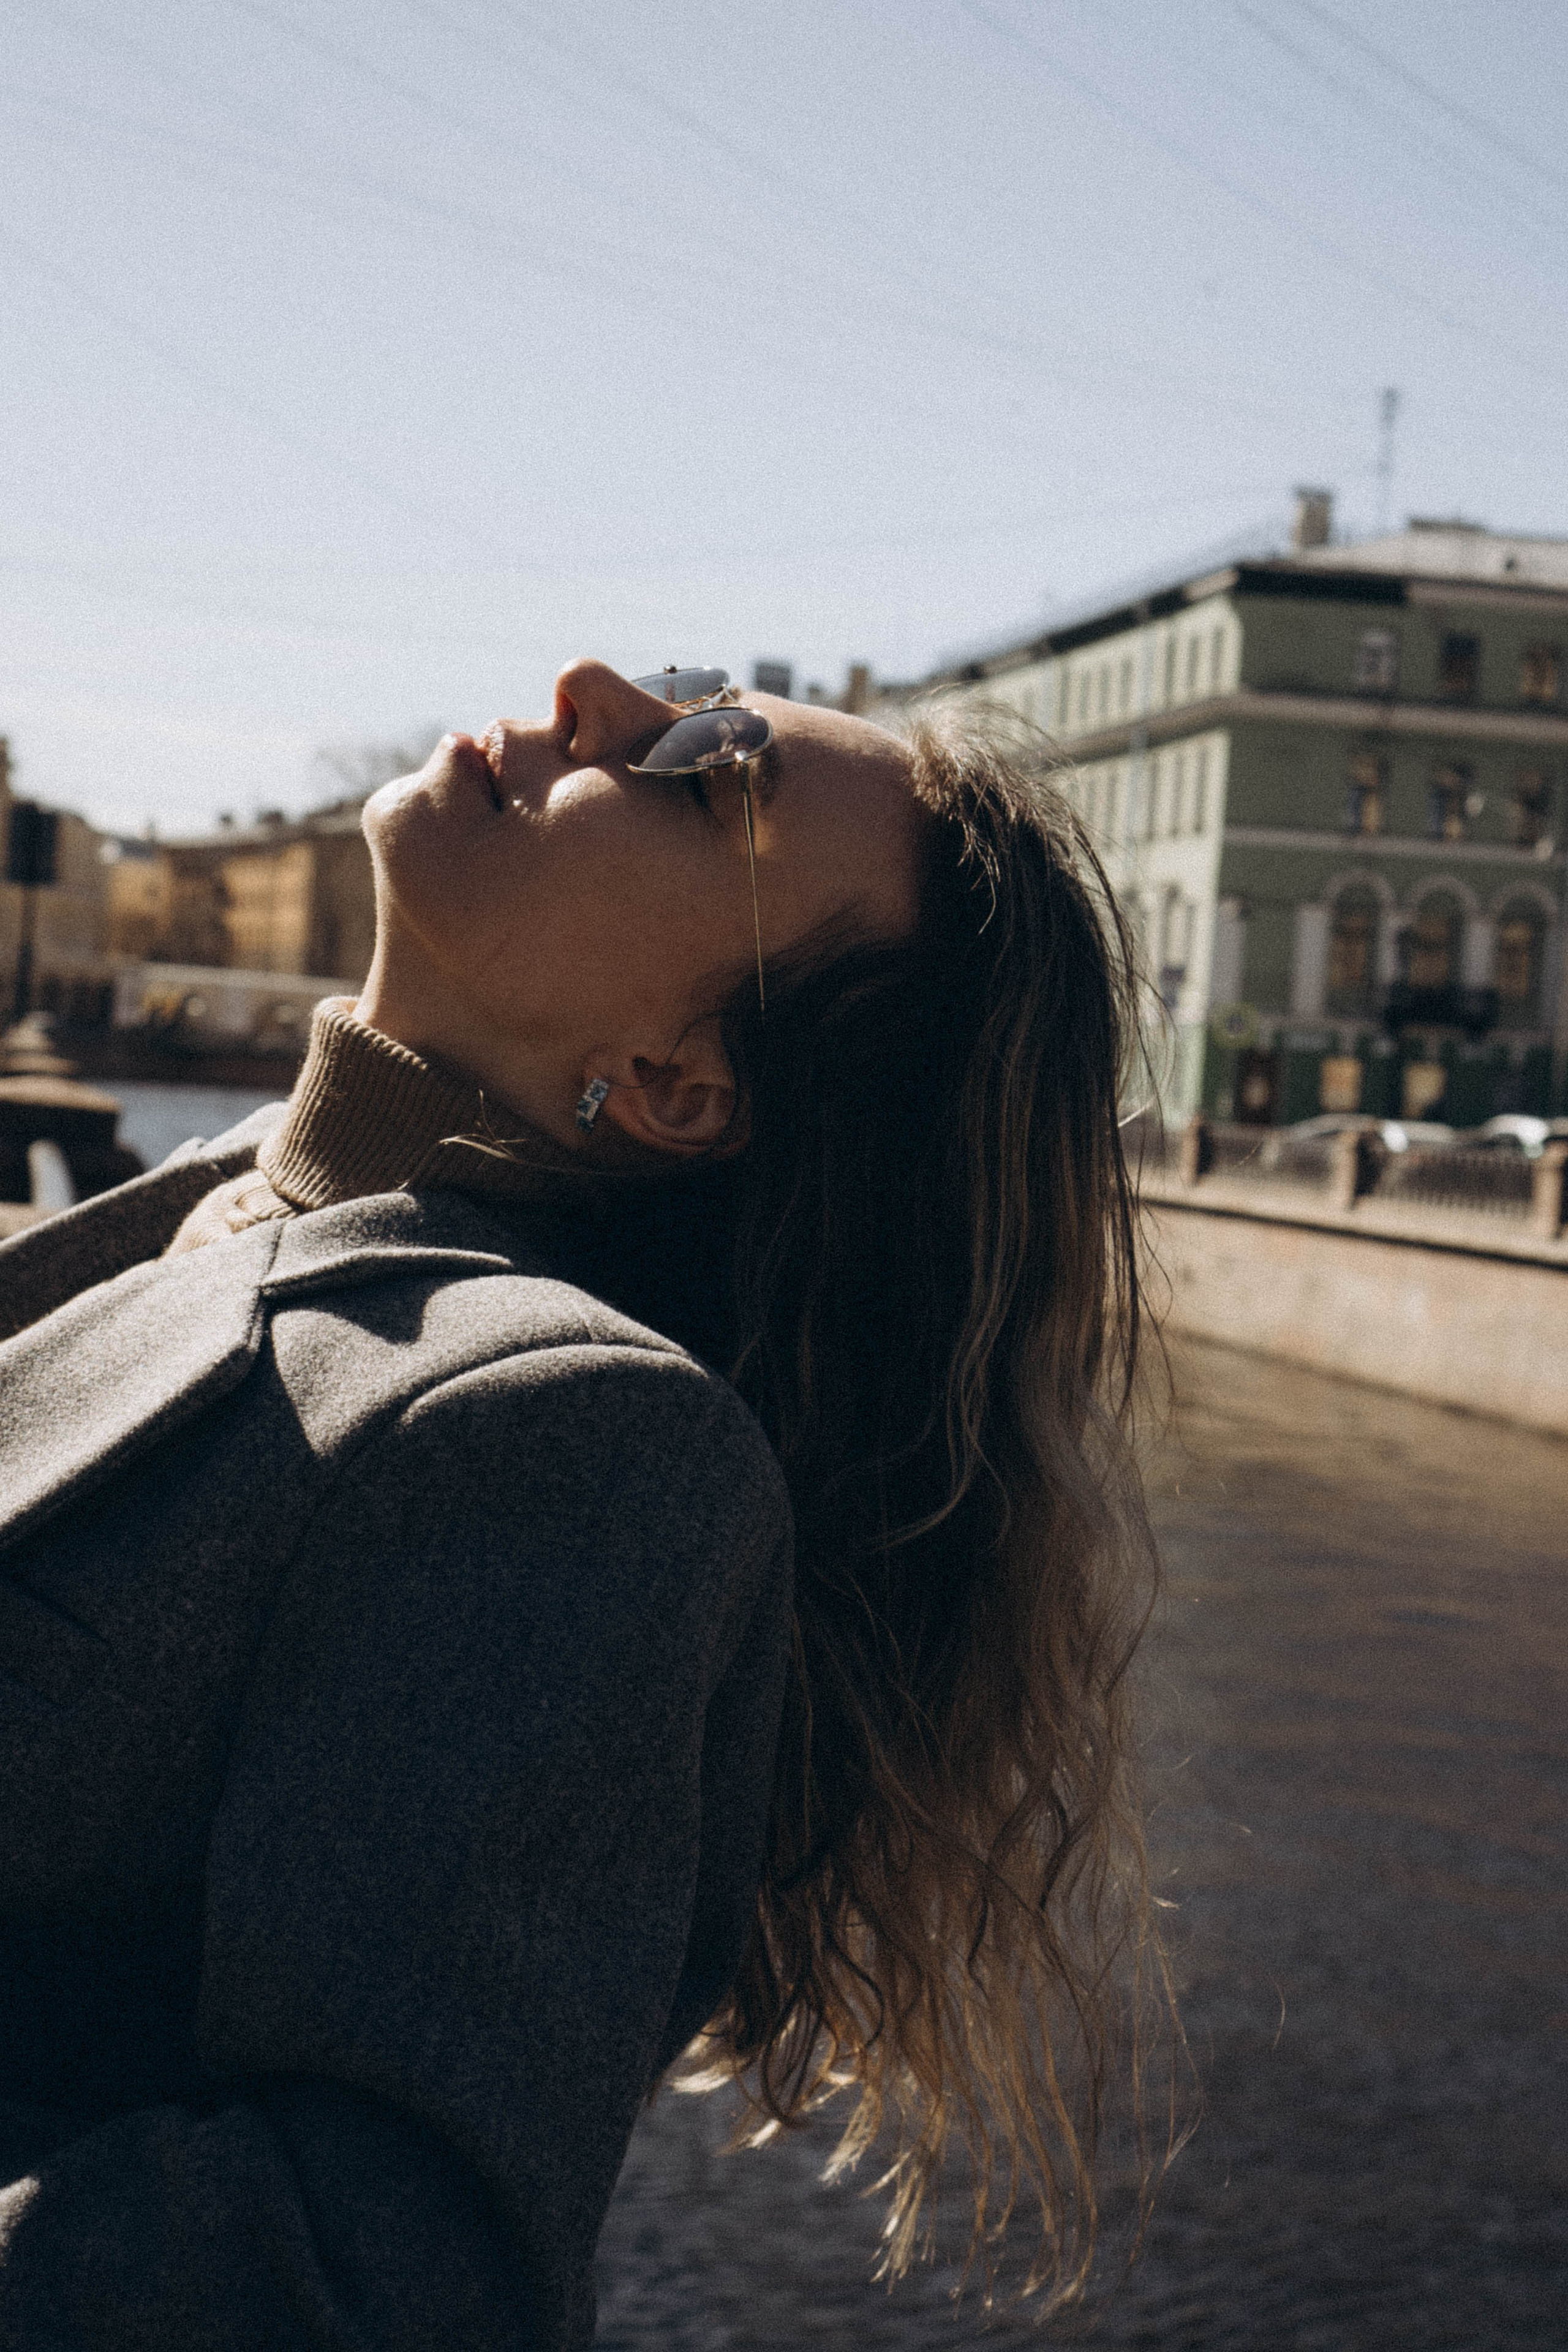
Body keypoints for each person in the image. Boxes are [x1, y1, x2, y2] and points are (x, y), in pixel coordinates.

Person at [0, 660, 1158, 2346]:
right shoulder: (235, 1190)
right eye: (684, 689)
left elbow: (378, 2275)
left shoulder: (579, 1438)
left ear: (683, 1082)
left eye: (705, 773)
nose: (598, 693)